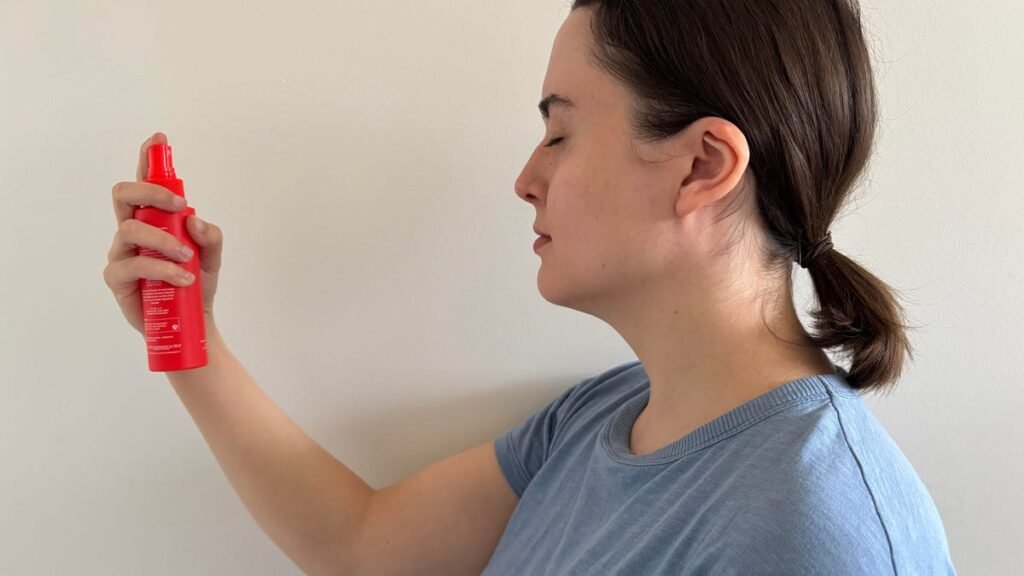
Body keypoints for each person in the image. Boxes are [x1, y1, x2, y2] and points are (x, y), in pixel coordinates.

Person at [103, 1, 955, 575]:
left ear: (702, 166)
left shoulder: (823, 536)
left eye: (559, 133)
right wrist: (188, 342)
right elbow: (360, 543)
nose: (525, 178)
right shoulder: (602, 417)